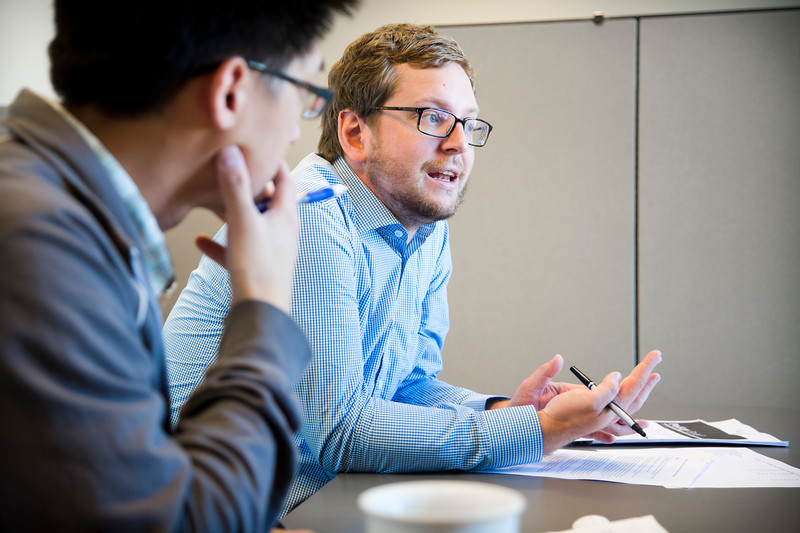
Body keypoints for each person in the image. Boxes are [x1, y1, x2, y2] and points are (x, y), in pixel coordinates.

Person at [163, 23, 663, 517]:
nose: (458, 145)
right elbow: (342, 433)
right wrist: (540, 433)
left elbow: (406, 385)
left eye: (468, 124)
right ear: (355, 133)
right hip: (223, 511)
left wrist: (508, 413)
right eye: (433, 118)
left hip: (321, 497)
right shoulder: (310, 216)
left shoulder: (424, 228)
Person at [0, 0, 358, 531]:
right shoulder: (40, 244)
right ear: (231, 90)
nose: (292, 135)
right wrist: (262, 305)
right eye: (306, 96)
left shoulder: (55, 210)